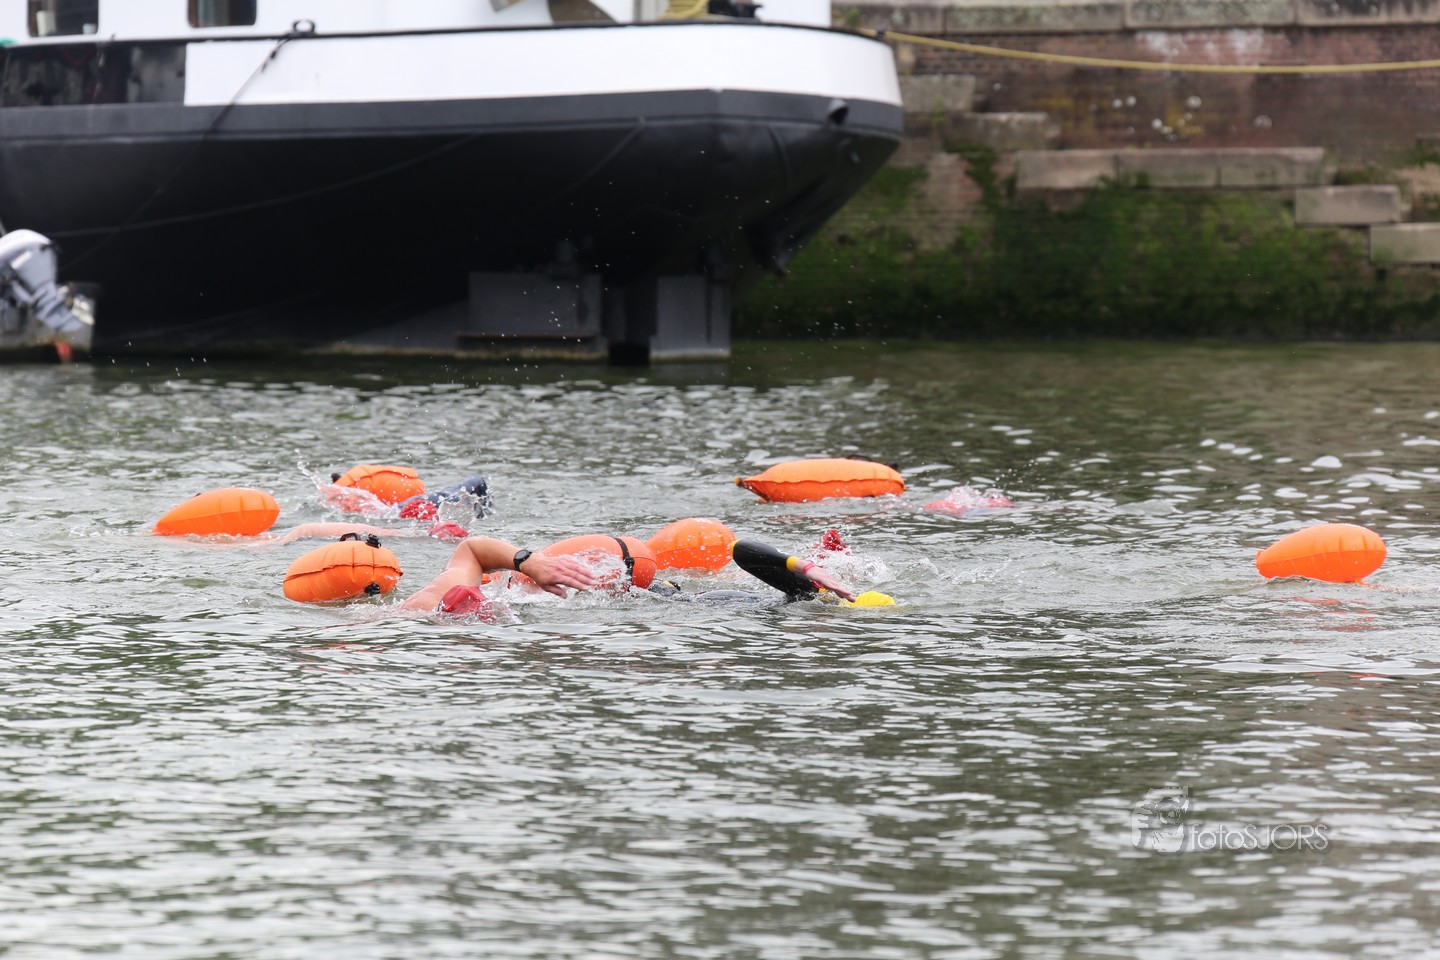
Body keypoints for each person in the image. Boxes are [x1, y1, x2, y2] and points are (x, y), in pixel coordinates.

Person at [400, 534, 861, 617]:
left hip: (689, 602)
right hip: (696, 606)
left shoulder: (435, 594)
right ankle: (815, 569)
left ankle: (816, 567)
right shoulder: (407, 617)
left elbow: (471, 547)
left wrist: (528, 561)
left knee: (744, 555)